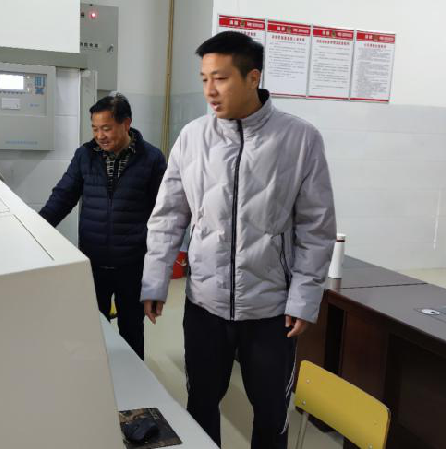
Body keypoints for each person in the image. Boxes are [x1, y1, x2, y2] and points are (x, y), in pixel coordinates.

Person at [140, 31, 337, 448]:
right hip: (205, 305)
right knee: (201, 404)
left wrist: (304, 297)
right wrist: (155, 279)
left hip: (271, 312)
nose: (210, 90)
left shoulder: (300, 139)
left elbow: (315, 227)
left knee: (271, 413)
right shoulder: (193, 137)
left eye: (221, 78)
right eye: (205, 78)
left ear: (253, 77)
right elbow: (169, 215)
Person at [40, 93, 167, 359]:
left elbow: (164, 214)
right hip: (93, 261)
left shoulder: (151, 159)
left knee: (132, 329)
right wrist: (37, 229)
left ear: (126, 124)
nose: (100, 135)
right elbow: (63, 197)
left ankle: (133, 379)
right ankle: (99, 378)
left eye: (106, 128)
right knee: (93, 331)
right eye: (95, 128)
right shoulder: (85, 156)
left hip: (132, 263)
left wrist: (159, 268)